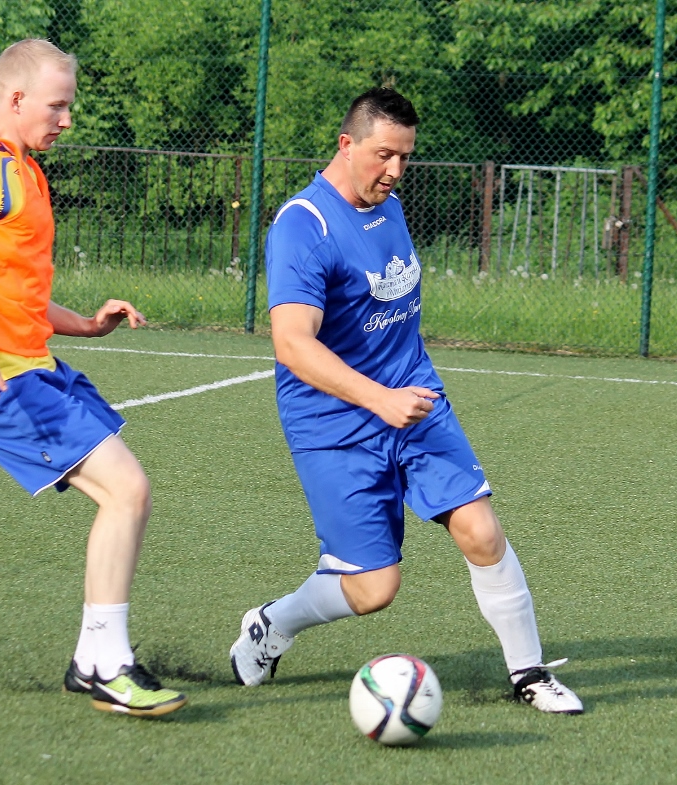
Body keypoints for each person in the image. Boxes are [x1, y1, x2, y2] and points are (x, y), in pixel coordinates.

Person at [229, 87, 583, 714]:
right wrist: (377, 399)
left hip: (414, 401)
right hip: (333, 422)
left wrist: (398, 396)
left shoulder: (386, 205)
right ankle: (272, 624)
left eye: (405, 157)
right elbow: (292, 344)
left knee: (480, 530)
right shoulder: (304, 226)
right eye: (384, 155)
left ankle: (529, 674)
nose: (395, 171)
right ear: (347, 144)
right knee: (374, 588)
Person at [0, 39, 186, 719]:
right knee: (127, 489)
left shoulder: (21, 169)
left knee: (127, 492)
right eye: (57, 106)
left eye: (69, 106)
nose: (67, 119)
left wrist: (84, 323)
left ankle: (93, 660)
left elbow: (8, 288)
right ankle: (104, 664)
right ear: (16, 98)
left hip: (33, 366)